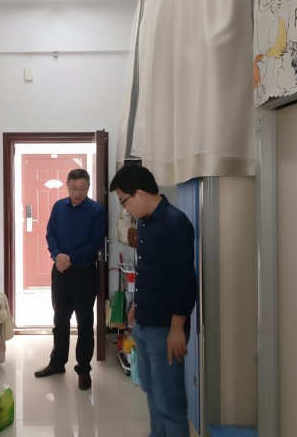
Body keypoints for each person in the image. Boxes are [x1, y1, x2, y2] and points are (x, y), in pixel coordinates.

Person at [109, 164, 197, 437]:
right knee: (151, 393)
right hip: (145, 323)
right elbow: (149, 270)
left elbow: (184, 280)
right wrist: (137, 305)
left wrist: (176, 328)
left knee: (169, 403)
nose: (124, 208)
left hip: (165, 328)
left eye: (124, 201)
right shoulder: (145, 222)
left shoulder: (175, 223)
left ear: (140, 193)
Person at [34, 168, 106, 391]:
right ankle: (57, 362)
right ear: (67, 185)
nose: (77, 193)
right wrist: (57, 255)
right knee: (60, 319)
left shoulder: (96, 210)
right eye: (73, 188)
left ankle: (83, 369)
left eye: (82, 188)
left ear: (88, 187)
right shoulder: (58, 207)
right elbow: (50, 234)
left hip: (85, 273)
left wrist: (70, 258)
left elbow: (96, 242)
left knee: (84, 323)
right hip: (61, 272)